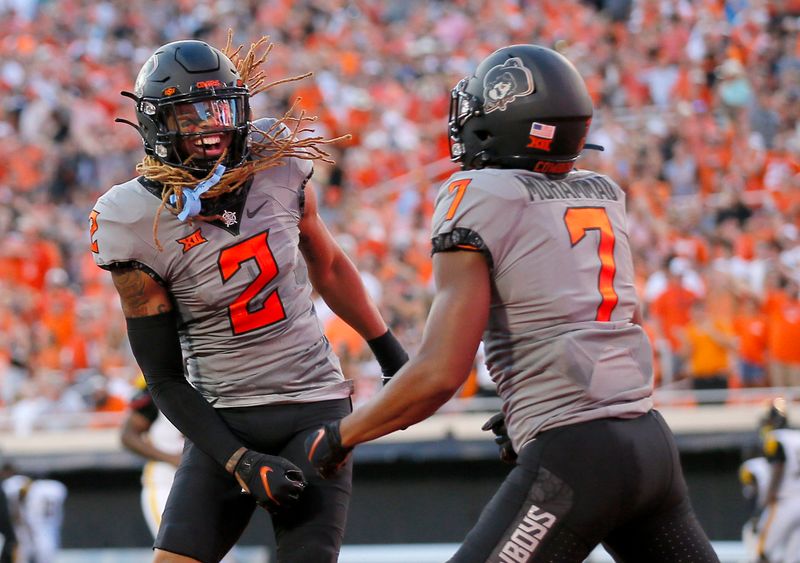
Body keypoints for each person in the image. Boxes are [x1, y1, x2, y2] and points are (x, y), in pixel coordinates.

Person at [304, 44, 719, 562]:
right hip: (650, 444)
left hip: (577, 455)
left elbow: (439, 372)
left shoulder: (479, 194)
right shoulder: (600, 192)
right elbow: (609, 322)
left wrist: (342, 436)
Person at [90, 36, 407, 563]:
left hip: (314, 405)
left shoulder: (278, 161)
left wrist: (391, 353)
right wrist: (238, 460)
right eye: (189, 116)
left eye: (220, 107)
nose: (210, 126)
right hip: (225, 418)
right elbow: (164, 378)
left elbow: (326, 264)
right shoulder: (131, 221)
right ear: (155, 125)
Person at [749, 398, 800, 563]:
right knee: (792, 557)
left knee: (762, 552)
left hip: (783, 501)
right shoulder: (797, 436)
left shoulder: (775, 438)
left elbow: (778, 467)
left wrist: (769, 496)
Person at [1, 465, 67, 563]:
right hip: (50, 532)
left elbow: (18, 498)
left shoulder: (21, 485)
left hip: (27, 530)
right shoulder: (57, 487)